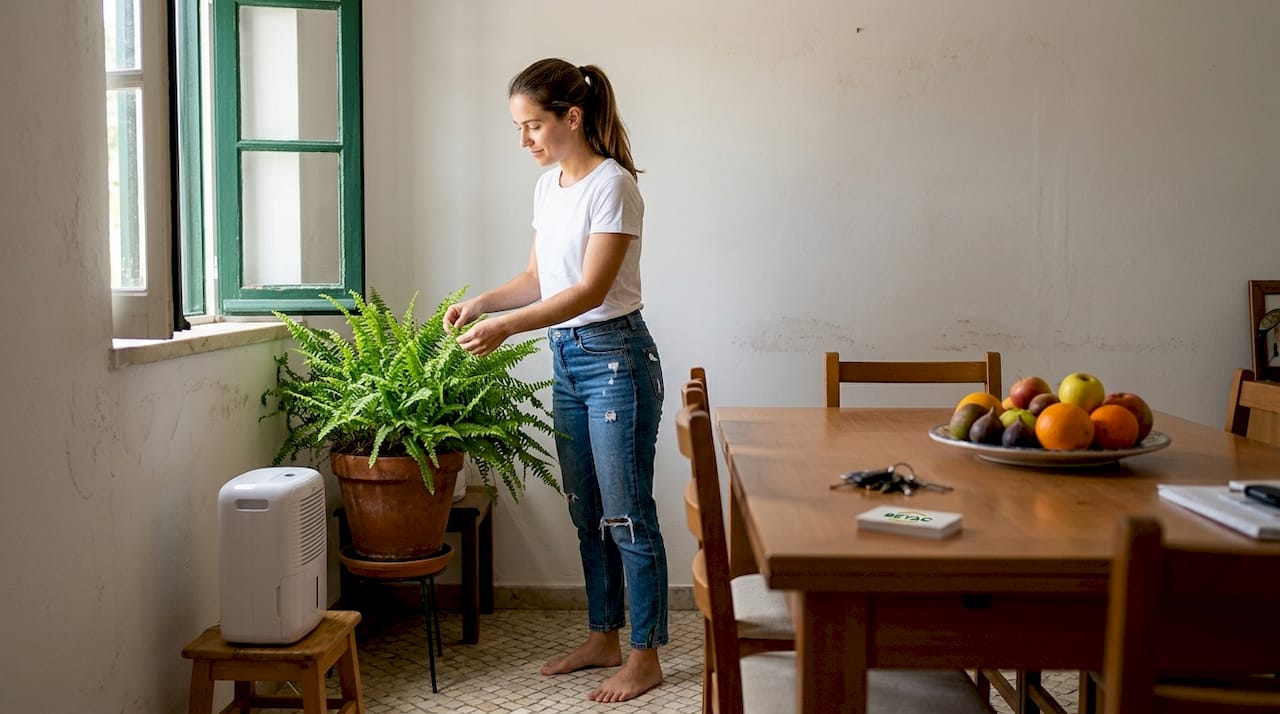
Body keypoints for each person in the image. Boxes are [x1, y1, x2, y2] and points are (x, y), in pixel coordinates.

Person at [443, 58, 667, 704]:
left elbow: (590, 290)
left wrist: (509, 329)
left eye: (534, 126)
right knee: (587, 511)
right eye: (519, 128)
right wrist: (485, 303)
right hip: (569, 359)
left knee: (628, 514)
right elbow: (540, 280)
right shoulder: (549, 189)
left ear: (573, 117)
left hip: (615, 359)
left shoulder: (613, 186)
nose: (525, 142)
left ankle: (644, 655)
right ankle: (603, 636)